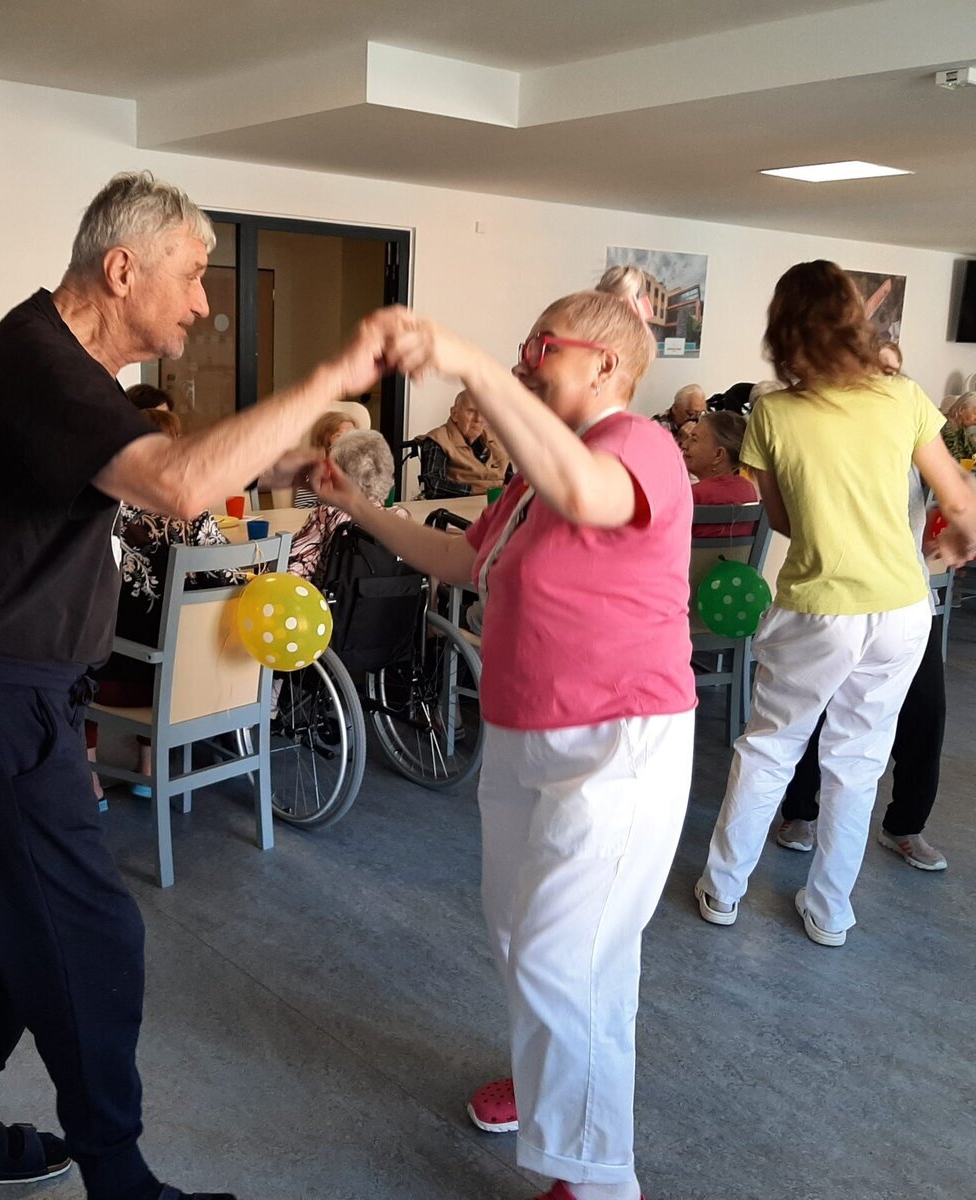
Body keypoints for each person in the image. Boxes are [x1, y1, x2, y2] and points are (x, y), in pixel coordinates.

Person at [0, 170, 389, 1200]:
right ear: (122, 270)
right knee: (94, 935)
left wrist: (289, 467)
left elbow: (164, 474)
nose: (203, 302)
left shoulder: (62, 368)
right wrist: (333, 377)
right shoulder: (40, 363)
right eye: (192, 274)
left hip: (20, 697)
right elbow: (174, 481)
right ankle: (119, 1181)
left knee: (18, 930)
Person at [316, 266, 694, 1200]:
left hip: (617, 742)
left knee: (572, 956)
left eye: (541, 348)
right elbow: (461, 558)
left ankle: (596, 1180)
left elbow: (592, 496)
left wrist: (472, 363)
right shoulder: (533, 475)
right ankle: (545, 1084)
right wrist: (357, 507)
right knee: (522, 936)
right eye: (521, 348)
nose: (525, 361)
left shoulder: (638, 444)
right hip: (525, 732)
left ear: (604, 364)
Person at [694, 260, 976, 948]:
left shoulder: (772, 412)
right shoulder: (903, 397)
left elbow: (783, 521)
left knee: (771, 747)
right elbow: (961, 504)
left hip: (819, 605)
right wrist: (950, 551)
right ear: (854, 324)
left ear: (782, 330)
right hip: (903, 608)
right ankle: (829, 912)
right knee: (858, 760)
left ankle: (723, 891)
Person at [774, 470, 951, 871]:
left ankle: (905, 825)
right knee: (821, 706)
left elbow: (953, 487)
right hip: (838, 597)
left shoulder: (914, 436)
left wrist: (961, 515)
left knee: (926, 712)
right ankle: (800, 811)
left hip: (909, 596)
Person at [87, 404, 240, 801]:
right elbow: (231, 578)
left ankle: (90, 781)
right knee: (160, 632)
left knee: (80, 654)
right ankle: (148, 768)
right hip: (182, 685)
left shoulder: (109, 512)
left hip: (114, 685)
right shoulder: (194, 513)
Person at [287, 429, 395, 580]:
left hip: (332, 592)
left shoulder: (328, 513)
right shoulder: (398, 516)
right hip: (384, 592)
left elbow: (299, 562)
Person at [417, 389, 511, 499]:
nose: (478, 419)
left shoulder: (497, 438)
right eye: (471, 411)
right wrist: (484, 491)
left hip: (502, 503)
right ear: (454, 414)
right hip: (460, 505)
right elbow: (433, 486)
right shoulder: (439, 439)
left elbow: (510, 477)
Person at [683, 411, 758, 537]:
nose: (684, 445)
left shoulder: (693, 495)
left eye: (694, 440)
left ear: (718, 455)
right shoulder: (748, 490)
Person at [293, 410, 357, 507]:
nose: (348, 440)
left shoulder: (362, 467)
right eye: (339, 435)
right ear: (325, 440)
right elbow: (303, 506)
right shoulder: (317, 470)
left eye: (352, 434)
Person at [940, 390, 976, 462]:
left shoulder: (962, 427)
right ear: (961, 410)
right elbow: (956, 459)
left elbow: (975, 453)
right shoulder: (946, 428)